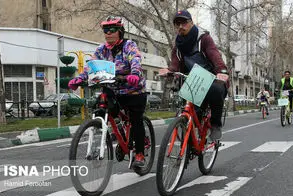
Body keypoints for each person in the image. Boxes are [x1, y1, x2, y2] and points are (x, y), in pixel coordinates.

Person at [67, 16, 147, 168]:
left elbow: (135, 59)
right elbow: (91, 67)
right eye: (105, 30)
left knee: (136, 120)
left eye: (112, 30)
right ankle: (117, 132)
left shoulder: (128, 45)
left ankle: (140, 153)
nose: (108, 33)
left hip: (133, 89)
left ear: (120, 31)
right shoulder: (101, 49)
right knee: (103, 109)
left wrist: (134, 74)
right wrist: (79, 79)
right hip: (112, 88)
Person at [159, 10, 229, 141]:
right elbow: (175, 64)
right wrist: (169, 70)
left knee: (217, 89)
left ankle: (215, 125)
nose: (180, 26)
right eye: (177, 24)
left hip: (212, 79)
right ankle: (190, 143)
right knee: (191, 114)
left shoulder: (204, 39)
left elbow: (215, 56)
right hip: (194, 82)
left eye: (184, 22)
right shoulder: (178, 47)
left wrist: (222, 71)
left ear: (191, 23)